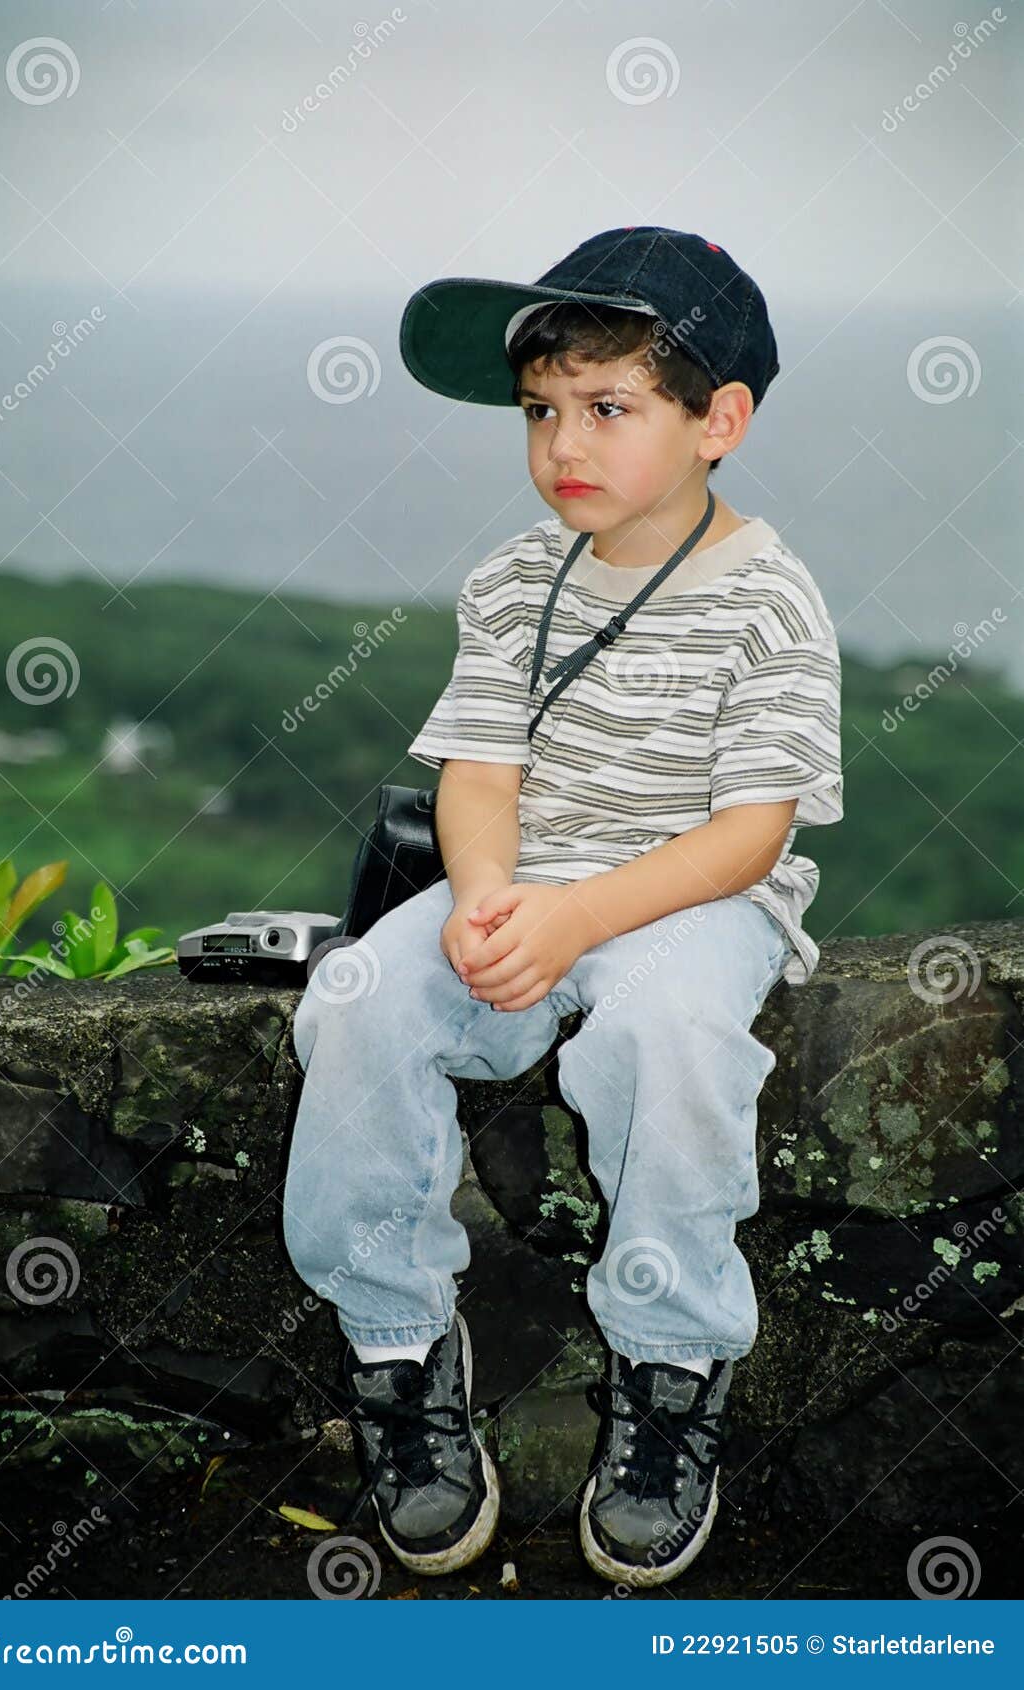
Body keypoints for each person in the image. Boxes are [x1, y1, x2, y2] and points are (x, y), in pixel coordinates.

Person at [282, 226, 843, 1588]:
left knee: (667, 1038)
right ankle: (398, 1343)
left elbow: (747, 833)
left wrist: (580, 918)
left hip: (689, 892)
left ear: (719, 421)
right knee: (355, 996)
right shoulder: (516, 580)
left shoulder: (768, 599)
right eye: (541, 412)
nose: (561, 447)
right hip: (526, 881)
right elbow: (480, 775)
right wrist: (482, 896)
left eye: (607, 408)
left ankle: (668, 1363)